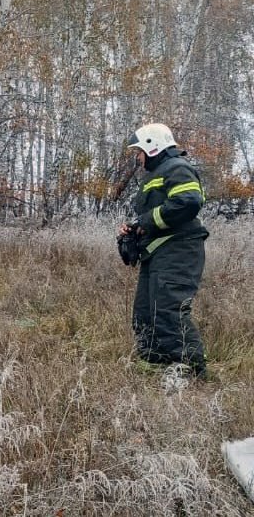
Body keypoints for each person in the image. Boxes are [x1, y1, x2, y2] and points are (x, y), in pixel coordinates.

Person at [119, 122, 208, 378]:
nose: (137, 158)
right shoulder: (155, 176)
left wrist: (145, 221)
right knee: (146, 313)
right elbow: (159, 214)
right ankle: (156, 366)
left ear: (152, 147)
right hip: (158, 253)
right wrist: (135, 229)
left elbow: (188, 202)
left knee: (169, 311)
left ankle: (191, 371)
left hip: (179, 252)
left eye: (139, 152)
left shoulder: (177, 168)